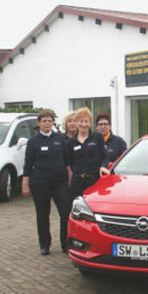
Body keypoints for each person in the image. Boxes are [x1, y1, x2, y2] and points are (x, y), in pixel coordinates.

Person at [22, 109, 70, 255]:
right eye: (44, 121)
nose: (47, 124)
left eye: (50, 121)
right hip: (40, 183)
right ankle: (45, 245)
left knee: (65, 213)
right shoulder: (33, 141)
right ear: (39, 123)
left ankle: (65, 244)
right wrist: (25, 184)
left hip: (59, 182)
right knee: (43, 214)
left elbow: (67, 161)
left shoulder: (61, 139)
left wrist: (70, 179)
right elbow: (27, 164)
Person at [66, 108, 110, 208]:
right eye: (81, 121)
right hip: (77, 182)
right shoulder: (70, 142)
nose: (84, 124)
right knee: (78, 209)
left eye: (86, 121)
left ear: (90, 123)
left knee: (94, 207)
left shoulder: (97, 137)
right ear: (76, 123)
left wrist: (103, 166)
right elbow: (70, 162)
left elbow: (105, 156)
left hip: (94, 180)